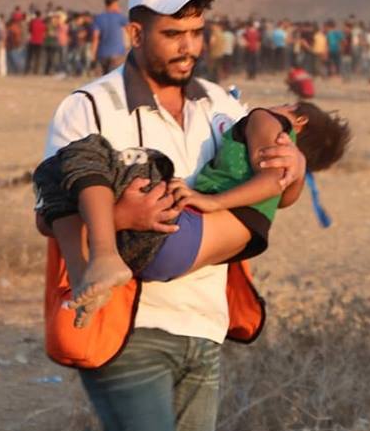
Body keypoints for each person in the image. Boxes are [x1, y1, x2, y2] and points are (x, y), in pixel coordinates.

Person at [39, 0, 307, 431]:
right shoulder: (90, 107)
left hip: (203, 324)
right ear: (136, 33)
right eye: (173, 34)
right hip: (129, 326)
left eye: (196, 33)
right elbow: (50, 210)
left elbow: (275, 197)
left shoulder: (220, 106)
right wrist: (121, 219)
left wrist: (291, 167)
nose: (188, 46)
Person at [35, 100, 349, 327]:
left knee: (80, 155)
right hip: (168, 257)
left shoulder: (266, 120)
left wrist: (213, 201)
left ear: (299, 120)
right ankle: (92, 273)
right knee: (67, 184)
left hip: (183, 231)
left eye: (285, 104)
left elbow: (270, 181)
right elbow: (282, 194)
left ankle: (87, 269)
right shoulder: (290, 168)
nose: (272, 105)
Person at [92, 0, 129, 74]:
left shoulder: (98, 18)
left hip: (102, 54)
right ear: (115, 3)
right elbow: (130, 30)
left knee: (104, 81)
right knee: (115, 80)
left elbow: (95, 38)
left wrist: (93, 57)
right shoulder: (120, 17)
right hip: (117, 54)